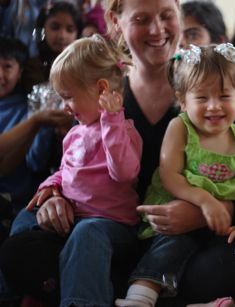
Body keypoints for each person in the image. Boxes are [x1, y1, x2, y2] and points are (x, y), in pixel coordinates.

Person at [0, 1, 235, 306]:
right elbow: (70, 164)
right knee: (21, 247)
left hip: (181, 249)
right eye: (141, 19)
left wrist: (213, 210)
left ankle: (131, 292)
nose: (157, 29)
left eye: (166, 16)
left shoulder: (213, 93)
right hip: (103, 237)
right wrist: (54, 193)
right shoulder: (95, 93)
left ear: (179, 15)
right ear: (115, 20)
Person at [116, 43, 235, 307]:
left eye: (224, 96)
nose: (214, 106)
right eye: (202, 98)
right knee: (174, 246)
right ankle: (141, 293)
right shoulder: (180, 128)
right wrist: (205, 201)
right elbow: (169, 174)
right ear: (183, 101)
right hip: (177, 214)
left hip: (220, 224)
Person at [3, 34, 143, 306]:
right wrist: (51, 186)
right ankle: (20, 289)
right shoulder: (75, 133)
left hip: (110, 225)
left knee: (87, 234)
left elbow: (124, 173)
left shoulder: (123, 131)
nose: (65, 108)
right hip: (75, 216)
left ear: (102, 90)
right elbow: (67, 170)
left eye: (68, 98)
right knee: (24, 218)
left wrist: (111, 120)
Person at [0, 35, 71, 243]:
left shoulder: (28, 107)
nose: (0, 74)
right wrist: (35, 122)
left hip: (18, 200)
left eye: (7, 66)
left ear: (20, 71)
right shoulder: (34, 116)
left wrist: (41, 125)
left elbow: (31, 162)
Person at [22, 1, 82, 93]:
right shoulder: (34, 66)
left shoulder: (83, 65)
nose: (62, 36)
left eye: (69, 30)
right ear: (43, 29)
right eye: (55, 27)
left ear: (78, 33)